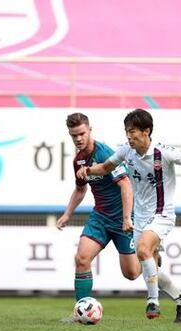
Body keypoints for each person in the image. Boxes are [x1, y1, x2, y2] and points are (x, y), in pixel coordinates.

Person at [77, 108, 181, 323]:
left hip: (162, 214)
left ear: (146, 131)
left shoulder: (163, 152)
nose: (129, 136)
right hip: (140, 217)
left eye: (132, 132)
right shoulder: (126, 151)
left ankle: (152, 301)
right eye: (127, 132)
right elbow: (106, 167)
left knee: (144, 249)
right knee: (147, 266)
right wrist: (89, 171)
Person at [57, 113, 141, 307]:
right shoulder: (78, 161)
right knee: (81, 259)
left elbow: (125, 184)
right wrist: (67, 214)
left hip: (122, 219)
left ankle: (150, 254)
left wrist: (127, 218)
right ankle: (81, 309)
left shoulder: (105, 154)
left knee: (131, 273)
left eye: (81, 134)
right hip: (100, 217)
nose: (78, 139)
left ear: (90, 130)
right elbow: (80, 189)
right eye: (74, 135)